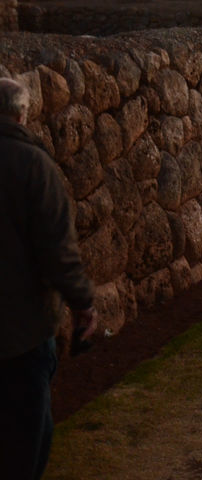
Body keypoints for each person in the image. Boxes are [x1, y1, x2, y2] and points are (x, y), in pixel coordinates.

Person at [1, 77, 97, 480]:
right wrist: (83, 305)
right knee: (27, 443)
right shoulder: (33, 165)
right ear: (23, 114)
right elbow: (57, 249)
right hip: (21, 331)